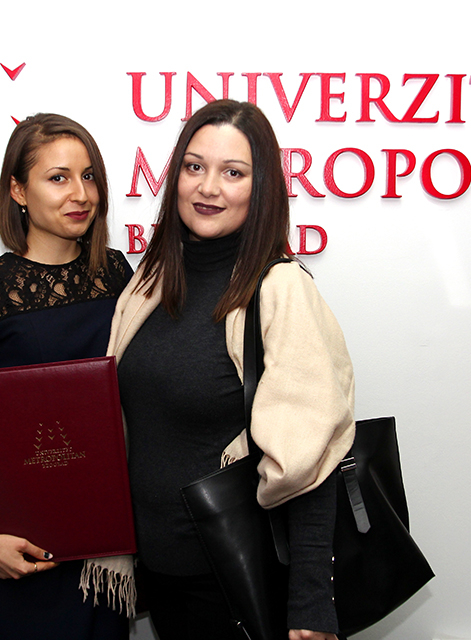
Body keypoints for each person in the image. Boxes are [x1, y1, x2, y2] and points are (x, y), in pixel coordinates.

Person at [108, 100, 355, 640]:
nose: (208, 187)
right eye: (194, 166)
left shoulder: (279, 289)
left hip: (233, 581)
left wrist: (312, 604)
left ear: (260, 188)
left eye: (233, 173)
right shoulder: (149, 284)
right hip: (160, 575)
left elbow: (311, 457)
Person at [0, 113, 134, 640]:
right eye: (58, 178)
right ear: (18, 191)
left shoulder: (117, 273)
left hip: (101, 552)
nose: (80, 194)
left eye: (88, 176)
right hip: (11, 550)